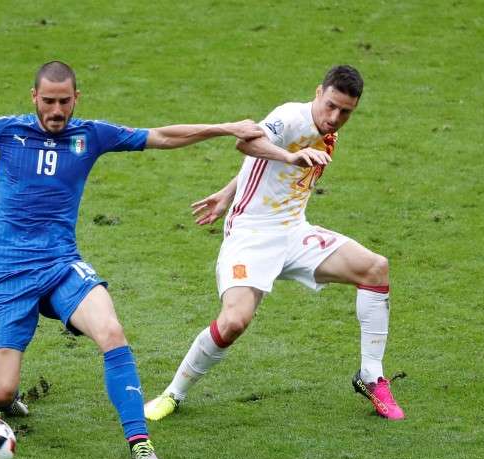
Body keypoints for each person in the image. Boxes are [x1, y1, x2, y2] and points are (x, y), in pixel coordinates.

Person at [0, 61, 263, 459]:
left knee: (112, 331)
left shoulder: (92, 135)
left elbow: (161, 136)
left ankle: (139, 442)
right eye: (48, 101)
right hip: (7, 272)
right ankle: (2, 400)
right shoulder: (7, 131)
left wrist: (224, 127)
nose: (56, 110)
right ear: (34, 98)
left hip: (61, 263)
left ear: (76, 99)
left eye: (64, 102)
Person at [144, 65, 406, 423]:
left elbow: (260, 162)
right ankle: (173, 393)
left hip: (294, 232)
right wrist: (290, 156)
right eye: (330, 106)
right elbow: (247, 142)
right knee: (235, 321)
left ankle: (371, 376)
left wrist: (226, 191)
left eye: (346, 112)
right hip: (251, 234)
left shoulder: (328, 132)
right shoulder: (290, 116)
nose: (335, 117)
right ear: (318, 92)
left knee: (375, 268)